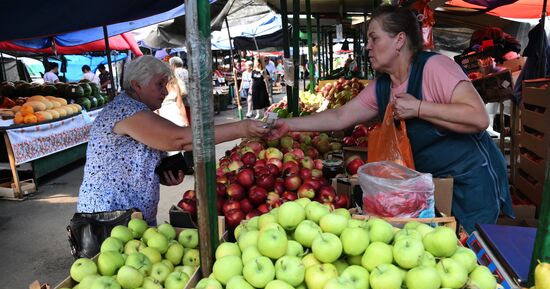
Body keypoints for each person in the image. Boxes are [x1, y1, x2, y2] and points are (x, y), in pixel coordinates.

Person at [267, 5, 513, 233]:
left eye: (374, 38)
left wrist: (418, 108)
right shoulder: (383, 86)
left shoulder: (435, 68)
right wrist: (289, 124)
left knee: (471, 254)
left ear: (399, 40)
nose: (367, 47)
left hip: (470, 184)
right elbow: (340, 116)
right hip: (430, 186)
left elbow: (478, 117)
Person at [77, 56, 271, 225]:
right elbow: (179, 139)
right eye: (159, 84)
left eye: (165, 85)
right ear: (137, 85)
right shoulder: (124, 110)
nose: (165, 91)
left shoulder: (139, 111)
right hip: (108, 217)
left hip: (129, 218)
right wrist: (241, 127)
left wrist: (159, 174)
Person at [169, 56, 190, 124]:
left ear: (173, 64)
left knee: (184, 115)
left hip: (182, 98)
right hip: (190, 98)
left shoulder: (174, 72)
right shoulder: (187, 71)